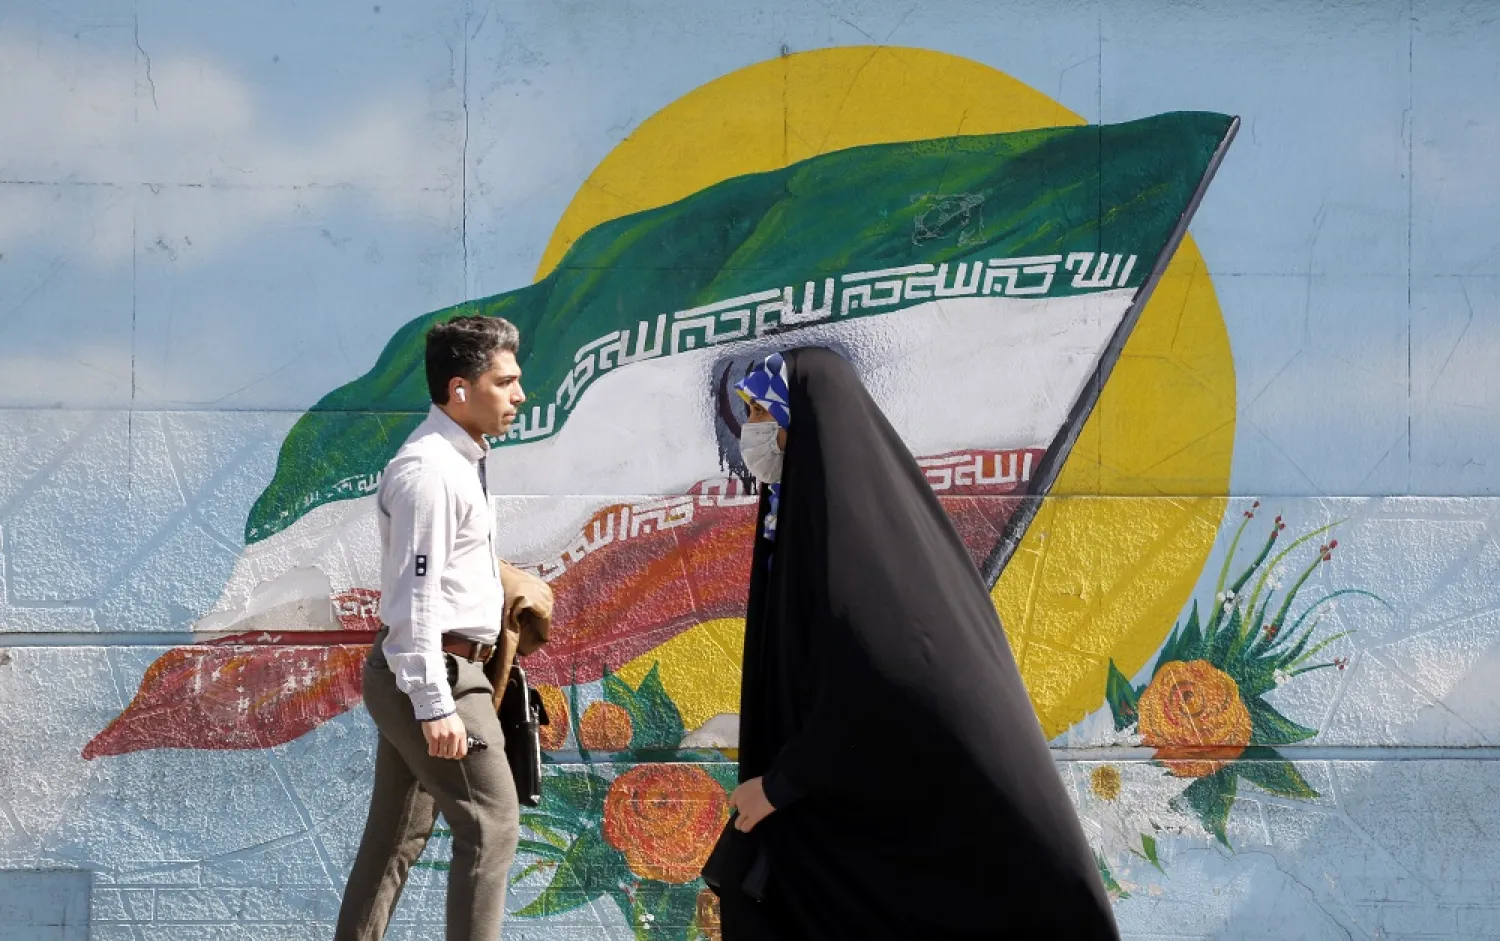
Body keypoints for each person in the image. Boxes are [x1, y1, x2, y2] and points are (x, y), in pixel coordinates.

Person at [709, 347, 1120, 940]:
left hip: (927, 826)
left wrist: (780, 786)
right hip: (864, 815)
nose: (751, 432)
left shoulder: (863, 547)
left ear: (804, 424)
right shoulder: (818, 522)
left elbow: (883, 682)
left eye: (761, 415)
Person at [335, 315, 526, 941]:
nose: (519, 395)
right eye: (505, 382)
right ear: (459, 389)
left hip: (430, 670)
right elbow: (414, 599)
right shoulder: (430, 472)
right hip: (434, 671)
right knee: (491, 827)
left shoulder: (461, 462)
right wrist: (434, 702)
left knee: (394, 841)